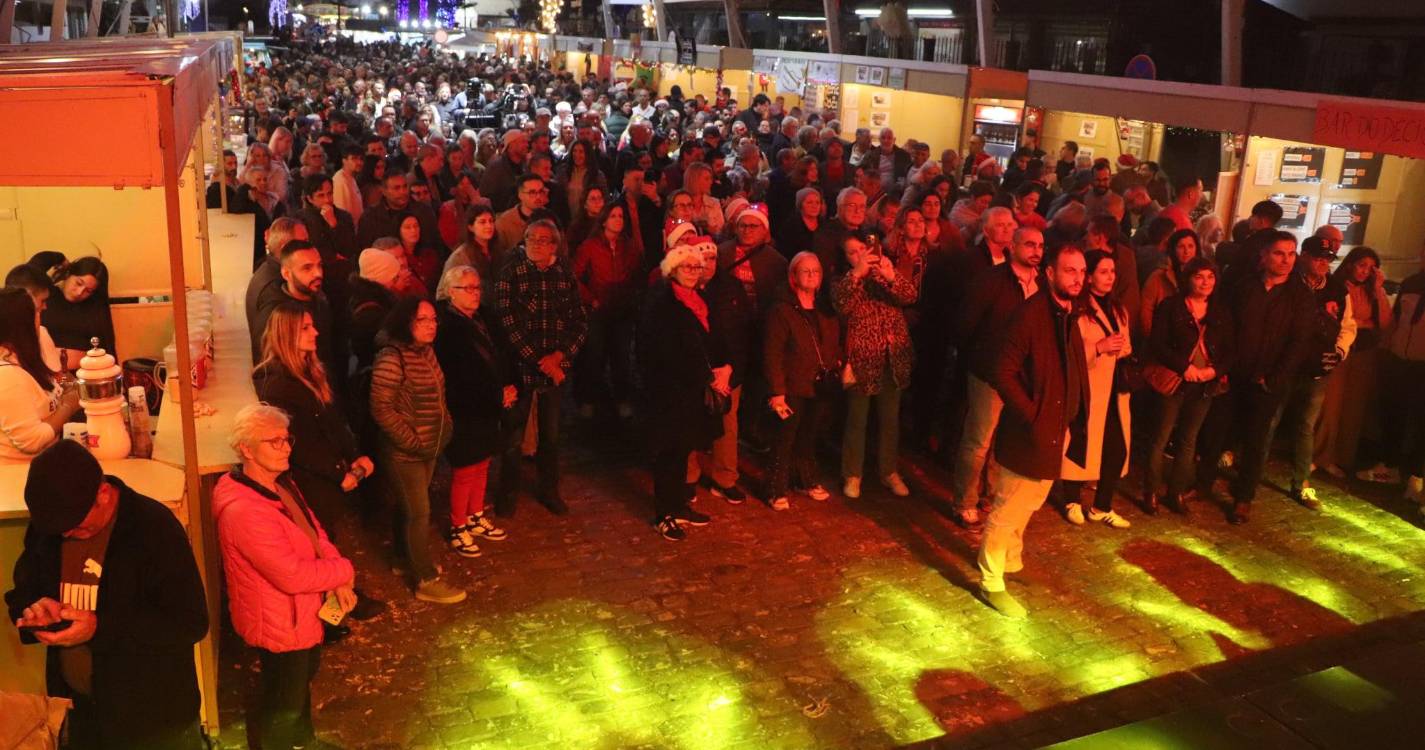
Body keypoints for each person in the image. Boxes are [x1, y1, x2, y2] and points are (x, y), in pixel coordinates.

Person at [7, 440, 208, 749]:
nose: (66, 535)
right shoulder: (52, 526)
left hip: (154, 721)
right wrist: (34, 611)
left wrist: (99, 627)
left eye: (76, 527)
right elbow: (25, 587)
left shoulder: (153, 528)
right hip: (82, 714)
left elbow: (189, 622)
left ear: (103, 494)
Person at [212, 404, 356, 750]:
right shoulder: (245, 511)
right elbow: (290, 575)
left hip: (299, 613)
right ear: (246, 449)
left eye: (286, 439)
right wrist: (344, 570)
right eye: (273, 441)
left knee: (299, 687)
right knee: (282, 705)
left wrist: (335, 577)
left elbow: (313, 530)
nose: (286, 447)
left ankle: (304, 742)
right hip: (279, 622)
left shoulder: (277, 484)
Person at [977, 245, 1089, 619]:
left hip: (1054, 431)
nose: (1077, 277)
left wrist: (1071, 419)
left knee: (1033, 500)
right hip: (1029, 432)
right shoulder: (1030, 316)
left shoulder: (1068, 314)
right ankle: (991, 581)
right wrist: (1032, 414)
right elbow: (1002, 371)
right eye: (1069, 270)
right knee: (1008, 507)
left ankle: (1010, 561)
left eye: (1081, 271)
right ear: (1051, 273)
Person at [1199, 232, 1314, 524]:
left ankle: (1243, 497)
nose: (1286, 260)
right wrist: (1222, 367)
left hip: (1266, 382)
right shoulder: (1243, 286)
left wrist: (1274, 379)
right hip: (1233, 374)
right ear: (1263, 256)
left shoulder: (1299, 296)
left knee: (1256, 441)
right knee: (1215, 431)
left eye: (1291, 254)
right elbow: (1225, 327)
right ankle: (1201, 484)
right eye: (1279, 253)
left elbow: (1298, 343)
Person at [370, 297, 465, 603]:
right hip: (405, 452)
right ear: (405, 322)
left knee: (408, 508)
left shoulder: (426, 352)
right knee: (419, 512)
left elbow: (440, 393)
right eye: (422, 320)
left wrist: (444, 426)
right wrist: (412, 440)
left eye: (433, 320)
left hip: (428, 447)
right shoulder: (391, 357)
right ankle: (425, 578)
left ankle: (403, 557)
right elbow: (381, 408)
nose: (431, 326)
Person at [252, 303, 374, 538]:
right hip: (308, 484)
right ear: (287, 334)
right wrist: (340, 473)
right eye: (305, 328)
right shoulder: (277, 387)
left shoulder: (310, 372)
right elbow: (302, 445)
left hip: (323, 480)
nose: (315, 332)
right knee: (318, 539)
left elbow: (333, 420)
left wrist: (353, 454)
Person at [950, 227, 1044, 528]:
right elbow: (965, 326)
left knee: (1003, 439)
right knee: (979, 439)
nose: (1036, 250)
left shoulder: (1042, 283)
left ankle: (991, 494)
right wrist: (980, 360)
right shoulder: (991, 281)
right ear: (1012, 246)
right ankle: (964, 500)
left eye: (1040, 245)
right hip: (989, 372)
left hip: (1022, 376)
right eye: (1029, 244)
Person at [493, 220, 588, 516]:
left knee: (551, 436)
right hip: (520, 370)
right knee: (512, 437)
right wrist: (541, 361)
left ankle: (549, 490)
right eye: (530, 238)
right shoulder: (512, 272)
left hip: (555, 372)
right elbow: (507, 324)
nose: (535, 243)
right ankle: (506, 495)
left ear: (554, 245)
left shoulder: (563, 274)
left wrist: (561, 356)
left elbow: (579, 322)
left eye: (543, 239)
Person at [637, 245, 723, 540]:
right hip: (667, 389)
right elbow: (660, 349)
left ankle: (678, 505)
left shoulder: (699, 299)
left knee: (683, 448)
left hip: (691, 390)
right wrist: (704, 374)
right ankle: (664, 513)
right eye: (685, 266)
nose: (691, 271)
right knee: (667, 452)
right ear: (672, 269)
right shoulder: (661, 302)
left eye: (695, 267)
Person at [1143, 257, 1233, 515]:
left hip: (1204, 384)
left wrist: (1213, 371)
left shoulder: (1220, 311)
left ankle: (1176, 492)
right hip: (1174, 380)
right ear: (1188, 279)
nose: (1205, 282)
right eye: (1199, 276)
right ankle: (1151, 491)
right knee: (1160, 437)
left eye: (1211, 277)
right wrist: (1185, 368)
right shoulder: (1171, 307)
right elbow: (1157, 344)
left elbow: (1231, 349)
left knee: (1188, 440)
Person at [434, 266, 513, 555]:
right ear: (450, 292)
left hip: (487, 407)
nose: (474, 293)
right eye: (466, 288)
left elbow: (496, 356)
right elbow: (459, 376)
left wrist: (505, 387)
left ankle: (475, 514)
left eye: (477, 287)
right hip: (466, 409)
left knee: (482, 463)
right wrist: (496, 393)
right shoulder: (448, 329)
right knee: (466, 468)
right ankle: (458, 525)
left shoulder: (482, 319)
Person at [1272, 237, 1356, 511]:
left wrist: (1340, 351)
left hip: (1318, 369)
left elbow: (1347, 326)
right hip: (1285, 365)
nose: (1323, 263)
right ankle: (1247, 473)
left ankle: (1302, 483)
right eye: (1318, 257)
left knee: (1305, 427)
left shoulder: (1336, 289)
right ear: (1304, 256)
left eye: (1328, 258)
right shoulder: (1290, 283)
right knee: (1269, 420)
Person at [834, 233, 917, 499]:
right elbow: (841, 304)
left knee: (890, 420)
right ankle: (853, 473)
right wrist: (857, 274)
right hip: (862, 359)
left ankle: (888, 470)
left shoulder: (885, 276)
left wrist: (891, 275)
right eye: (852, 252)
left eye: (863, 249)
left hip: (892, 358)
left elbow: (910, 296)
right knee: (857, 420)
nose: (859, 255)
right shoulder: (844, 280)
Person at [1059, 250, 1133, 529]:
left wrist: (1122, 348)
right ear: (1089, 277)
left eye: (1112, 271)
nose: (1110, 277)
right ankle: (1071, 499)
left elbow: (1125, 342)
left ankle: (1102, 505)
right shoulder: (1077, 309)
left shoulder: (1118, 308)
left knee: (1116, 447)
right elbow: (1070, 350)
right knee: (1081, 442)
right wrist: (1099, 348)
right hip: (1088, 387)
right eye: (1103, 271)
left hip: (1114, 388)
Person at [764, 252, 842, 510]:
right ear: (793, 276)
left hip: (819, 385)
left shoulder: (825, 307)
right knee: (785, 437)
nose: (811, 275)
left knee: (809, 436)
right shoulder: (782, 310)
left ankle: (805, 479)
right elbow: (773, 352)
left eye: (816, 271)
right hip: (792, 385)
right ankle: (776, 488)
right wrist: (777, 391)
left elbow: (831, 340)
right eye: (805, 271)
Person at [1317, 246, 1393, 482]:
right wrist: (1363, 321)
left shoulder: (1372, 291)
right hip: (1342, 351)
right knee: (1331, 406)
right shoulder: (1338, 286)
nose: (1365, 271)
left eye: (1370, 268)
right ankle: (1321, 454)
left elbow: (1384, 321)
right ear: (1350, 264)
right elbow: (1342, 320)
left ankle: (1342, 456)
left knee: (1353, 407)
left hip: (1365, 353)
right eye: (1362, 265)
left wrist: (1378, 289)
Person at [572, 201, 642, 419]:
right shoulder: (590, 246)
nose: (618, 220)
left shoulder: (628, 247)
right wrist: (590, 298)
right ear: (603, 220)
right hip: (599, 311)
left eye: (621, 216)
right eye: (614, 216)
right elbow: (574, 276)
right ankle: (590, 399)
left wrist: (630, 295)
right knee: (595, 356)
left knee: (621, 357)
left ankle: (622, 398)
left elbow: (637, 274)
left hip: (622, 311)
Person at [0, 288, 79, 462]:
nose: (41, 315)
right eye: (36, 311)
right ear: (23, 324)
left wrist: (70, 387)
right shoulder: (6, 376)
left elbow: (57, 379)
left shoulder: (24, 355)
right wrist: (68, 406)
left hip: (49, 460)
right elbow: (32, 441)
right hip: (19, 474)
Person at [1384, 241, 1425, 506]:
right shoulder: (1410, 283)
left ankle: (1416, 476)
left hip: (1423, 362)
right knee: (1394, 412)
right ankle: (1390, 465)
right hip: (1400, 358)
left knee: (1421, 422)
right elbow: (1397, 317)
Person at [43, 256, 115, 364]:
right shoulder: (46, 297)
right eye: (79, 283)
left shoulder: (94, 308)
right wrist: (57, 256)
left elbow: (105, 349)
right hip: (47, 370)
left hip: (86, 373)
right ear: (68, 274)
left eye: (88, 291)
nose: (79, 292)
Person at [1138, 228, 1199, 338]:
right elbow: (1146, 310)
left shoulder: (1204, 276)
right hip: (1162, 337)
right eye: (1181, 247)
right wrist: (1153, 337)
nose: (1187, 251)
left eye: (1191, 246)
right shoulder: (1159, 277)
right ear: (1173, 249)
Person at [493, 173, 551, 266]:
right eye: (532, 193)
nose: (538, 197)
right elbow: (498, 256)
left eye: (541, 191)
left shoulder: (550, 218)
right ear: (520, 195)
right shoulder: (504, 222)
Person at [444, 203, 498, 283]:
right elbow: (443, 292)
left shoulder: (497, 248)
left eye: (491, 221)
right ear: (471, 227)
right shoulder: (460, 257)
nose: (489, 226)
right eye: (482, 222)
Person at [776, 187, 823, 260]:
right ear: (800, 205)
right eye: (809, 202)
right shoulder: (790, 227)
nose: (814, 206)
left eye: (817, 202)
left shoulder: (825, 225)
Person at [565, 185, 608, 250]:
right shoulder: (577, 228)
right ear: (585, 204)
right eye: (593, 199)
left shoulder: (608, 222)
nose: (597, 202)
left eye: (600, 198)